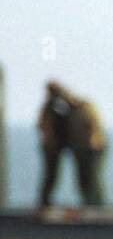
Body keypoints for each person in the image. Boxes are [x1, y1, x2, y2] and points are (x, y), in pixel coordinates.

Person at [37, 81, 73, 209]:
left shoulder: (53, 106)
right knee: (51, 174)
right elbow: (44, 125)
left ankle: (45, 201)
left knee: (51, 174)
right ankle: (44, 201)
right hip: (52, 146)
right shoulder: (51, 106)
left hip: (53, 145)